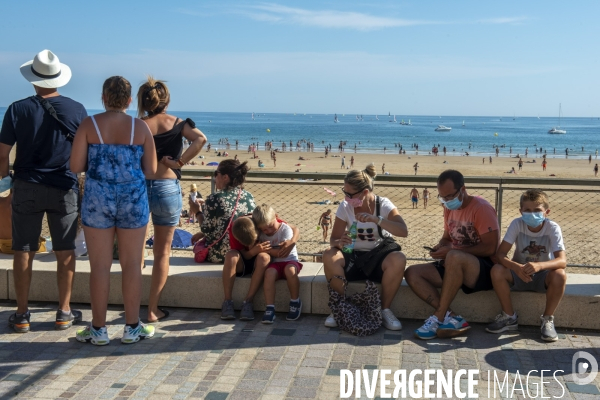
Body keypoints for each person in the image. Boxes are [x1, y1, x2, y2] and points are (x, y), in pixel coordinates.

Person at [0, 50, 87, 333]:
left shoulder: (17, 109)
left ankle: (22, 314)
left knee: (23, 250)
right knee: (65, 250)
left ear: (33, 79)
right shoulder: (76, 109)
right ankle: (63, 312)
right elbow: (85, 154)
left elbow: (2, 154)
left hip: (26, 185)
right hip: (64, 187)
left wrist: (5, 180)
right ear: (58, 76)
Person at [70, 76, 157, 345]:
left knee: (100, 267)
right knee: (132, 265)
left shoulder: (89, 125)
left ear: (104, 97)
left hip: (98, 199)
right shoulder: (140, 128)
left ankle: (98, 329)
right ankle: (132, 327)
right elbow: (151, 170)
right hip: (133, 199)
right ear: (130, 100)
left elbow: (75, 166)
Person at [136, 77, 207, 323]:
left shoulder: (138, 124)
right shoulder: (177, 123)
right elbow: (200, 139)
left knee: (136, 252)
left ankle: (133, 306)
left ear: (144, 102)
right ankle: (153, 310)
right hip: (167, 185)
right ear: (165, 100)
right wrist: (179, 162)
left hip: (140, 186)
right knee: (162, 253)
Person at [405, 170, 499, 340]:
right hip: (454, 262)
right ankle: (452, 317)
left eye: (449, 197)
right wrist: (440, 247)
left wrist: (453, 252)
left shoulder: (481, 208)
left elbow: (491, 248)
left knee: (455, 256)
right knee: (412, 272)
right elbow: (447, 238)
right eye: (442, 198)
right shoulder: (449, 208)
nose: (447, 201)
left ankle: (439, 316)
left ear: (462, 189)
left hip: (482, 268)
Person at [322, 164, 408, 331]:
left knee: (399, 258)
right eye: (344, 192)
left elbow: (403, 231)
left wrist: (377, 220)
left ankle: (384, 310)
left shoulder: (382, 204)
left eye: (350, 194)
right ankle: (340, 308)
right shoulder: (345, 206)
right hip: (352, 256)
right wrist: (339, 242)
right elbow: (333, 239)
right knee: (329, 255)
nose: (346, 197)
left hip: (377, 257)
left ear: (365, 192)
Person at [486, 190, 566, 342]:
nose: (532, 214)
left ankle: (547, 319)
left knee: (560, 275)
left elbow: (562, 261)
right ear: (520, 211)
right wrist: (516, 267)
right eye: (527, 210)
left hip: (542, 275)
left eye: (537, 210)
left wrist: (539, 266)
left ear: (546, 212)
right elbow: (500, 255)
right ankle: (509, 317)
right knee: (497, 270)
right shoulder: (517, 224)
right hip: (519, 273)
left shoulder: (552, 227)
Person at [191, 160, 256, 263]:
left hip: (219, 254)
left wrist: (197, 212)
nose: (214, 177)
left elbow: (206, 229)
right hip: (243, 253)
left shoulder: (214, 198)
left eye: (216, 174)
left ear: (225, 177)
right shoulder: (249, 196)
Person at [253, 205, 303, 323]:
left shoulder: (285, 230)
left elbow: (283, 253)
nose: (269, 231)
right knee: (269, 273)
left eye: (270, 226)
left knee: (290, 271)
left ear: (276, 217)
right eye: (264, 229)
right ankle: (270, 307)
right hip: (275, 264)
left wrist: (267, 250)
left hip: (290, 261)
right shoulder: (261, 234)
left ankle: (295, 301)